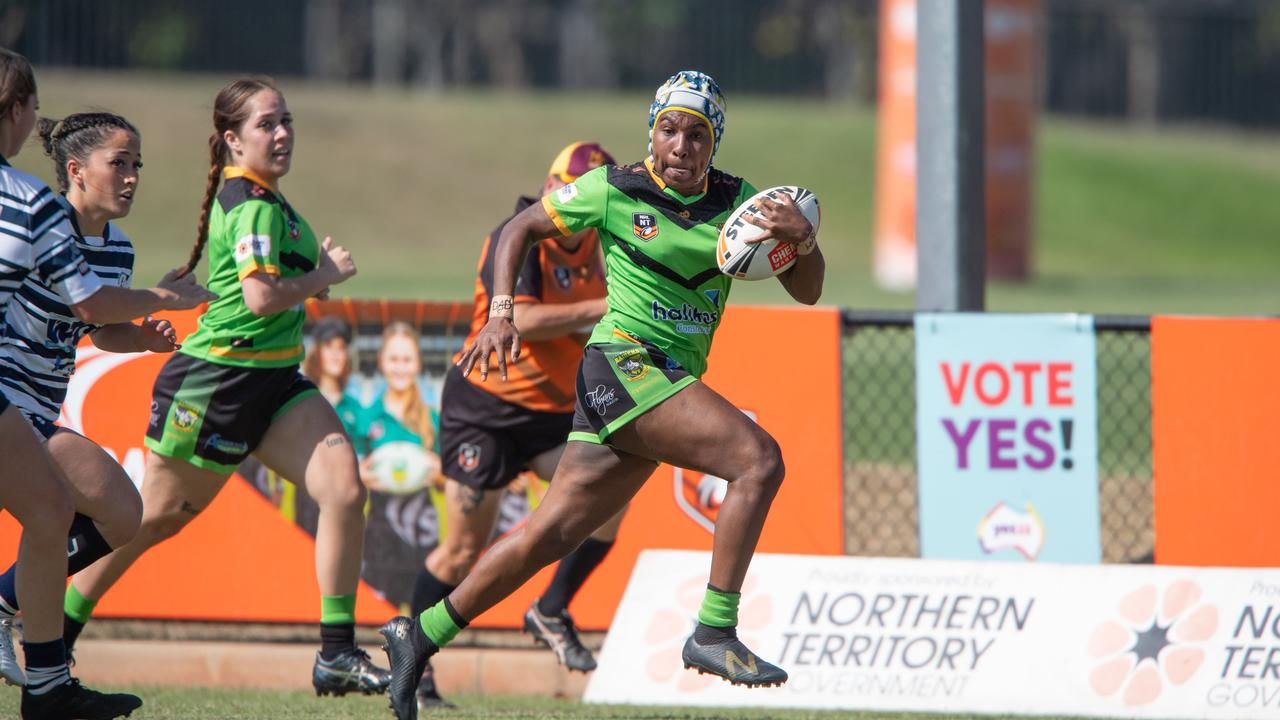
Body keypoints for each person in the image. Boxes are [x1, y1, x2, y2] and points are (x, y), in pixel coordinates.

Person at [381, 70, 824, 719]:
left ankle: (418, 635)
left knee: (546, 536)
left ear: (714, 142)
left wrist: (802, 240)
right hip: (623, 365)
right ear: (652, 132)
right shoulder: (615, 190)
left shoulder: (742, 205)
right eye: (668, 128)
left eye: (697, 133)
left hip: (663, 377)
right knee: (758, 459)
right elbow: (518, 229)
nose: (681, 144)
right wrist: (502, 309)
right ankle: (715, 630)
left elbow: (808, 290)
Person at [66, 76, 392, 697]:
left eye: (286, 120)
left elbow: (268, 284)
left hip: (273, 382)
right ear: (232, 142)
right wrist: (322, 273)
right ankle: (54, 630)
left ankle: (335, 654)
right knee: (146, 521)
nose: (282, 132)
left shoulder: (267, 199)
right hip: (215, 385)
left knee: (344, 490)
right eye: (267, 124)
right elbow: (260, 296)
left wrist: (309, 281)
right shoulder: (250, 203)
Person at [0, 49, 213, 720]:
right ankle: (45, 678)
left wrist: (140, 334)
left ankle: (15, 619)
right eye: (118, 163)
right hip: (12, 397)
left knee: (121, 517)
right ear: (75, 170)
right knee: (78, 513)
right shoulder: (40, 217)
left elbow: (94, 326)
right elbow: (90, 304)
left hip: (38, 403)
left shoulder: (115, 247)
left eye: (137, 165)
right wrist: (159, 301)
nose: (131, 177)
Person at [409, 141, 620, 712]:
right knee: (460, 552)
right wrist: (604, 308)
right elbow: (522, 319)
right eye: (567, 188)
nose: (576, 202)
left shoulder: (603, 240)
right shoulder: (521, 233)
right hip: (486, 412)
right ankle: (414, 659)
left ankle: (550, 609)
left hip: (552, 412)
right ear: (550, 188)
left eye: (591, 194)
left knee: (609, 500)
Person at [351, 322, 447, 611]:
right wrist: (360, 476)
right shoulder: (367, 418)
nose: (400, 367)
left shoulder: (433, 420)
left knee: (422, 621)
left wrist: (439, 471)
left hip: (423, 534)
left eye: (407, 360)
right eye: (394, 359)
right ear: (381, 362)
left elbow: (450, 484)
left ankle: (419, 658)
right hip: (380, 537)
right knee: (376, 620)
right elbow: (349, 480)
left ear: (418, 364)